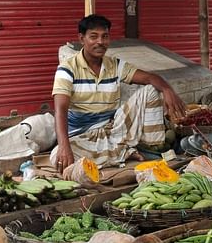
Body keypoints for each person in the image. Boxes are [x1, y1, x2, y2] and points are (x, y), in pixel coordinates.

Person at [51, 14, 187, 172]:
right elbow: (60, 109)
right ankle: (123, 153)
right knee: (57, 158)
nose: (100, 42)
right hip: (82, 137)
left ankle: (153, 148)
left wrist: (167, 89)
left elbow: (150, 77)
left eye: (105, 36)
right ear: (82, 39)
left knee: (151, 91)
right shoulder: (67, 69)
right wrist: (63, 146)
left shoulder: (114, 64)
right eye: (93, 37)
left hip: (113, 130)